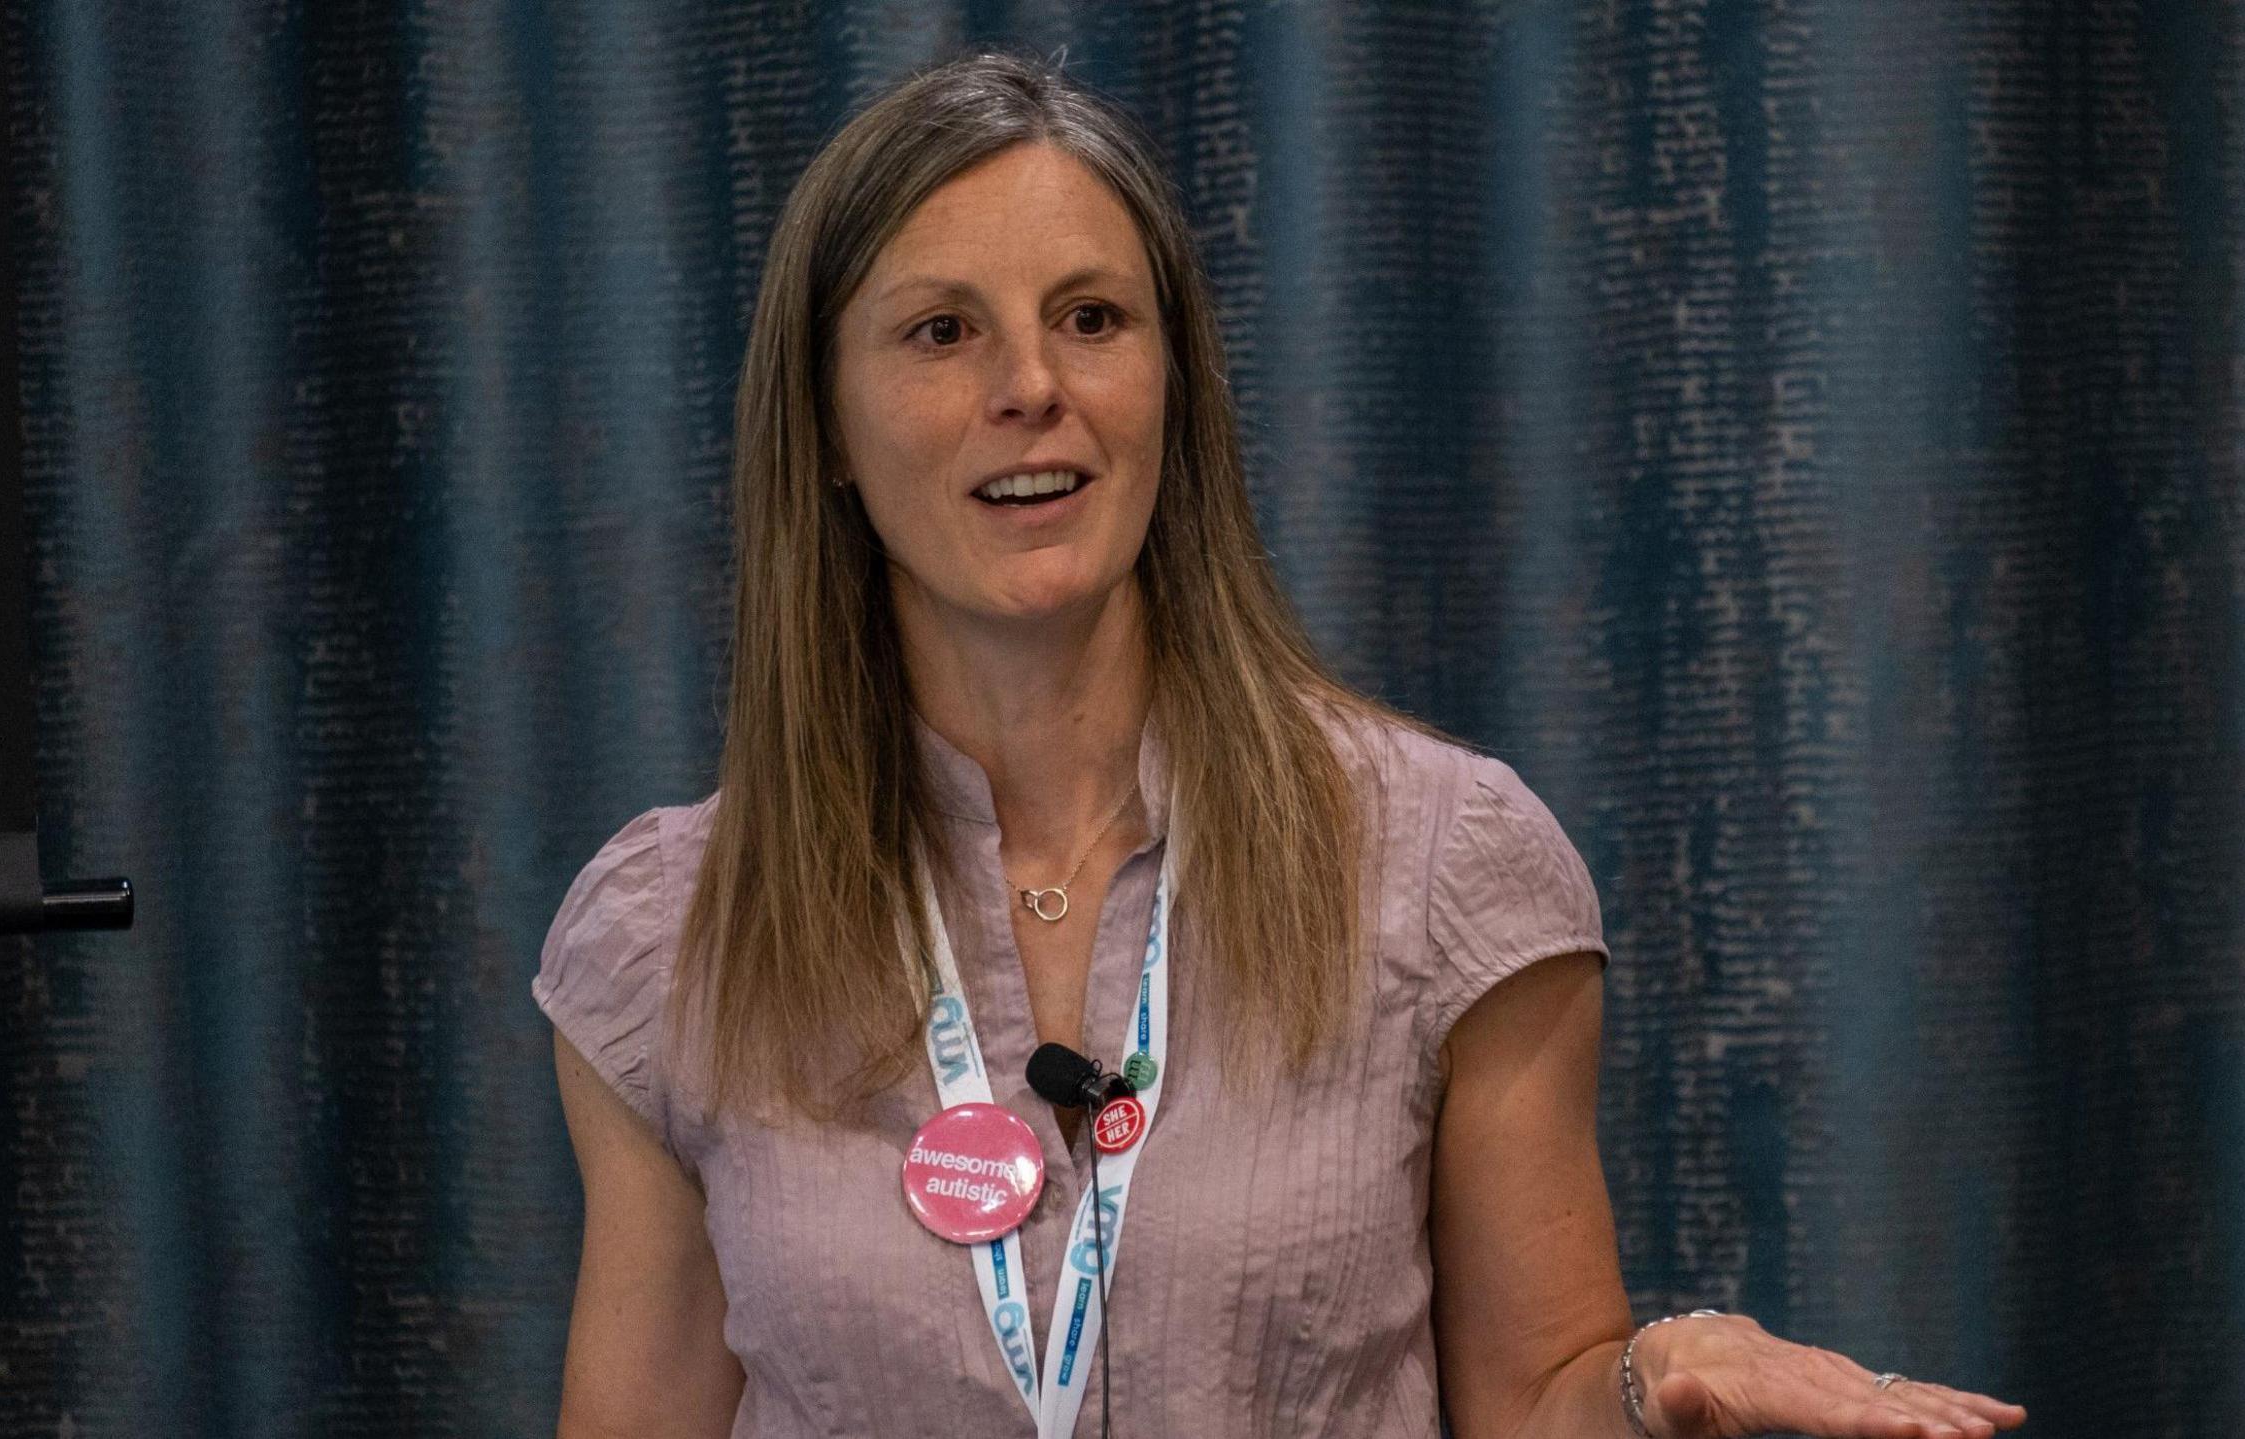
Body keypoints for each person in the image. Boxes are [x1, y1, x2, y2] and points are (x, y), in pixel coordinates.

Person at [534, 49, 2030, 1439]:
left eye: (1092, 318)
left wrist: (1646, 1382)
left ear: (1174, 391)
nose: (1031, 387)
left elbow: (1534, 1401)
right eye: (942, 332)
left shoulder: (1448, 864)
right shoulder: (671, 936)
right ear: (831, 435)